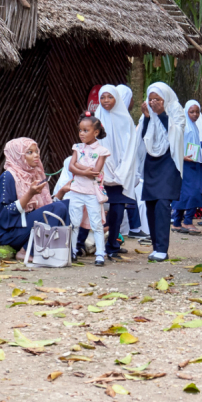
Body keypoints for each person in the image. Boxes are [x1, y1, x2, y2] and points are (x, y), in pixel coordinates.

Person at [0, 138, 70, 258]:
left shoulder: (34, 174)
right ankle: (27, 251)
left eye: (36, 151)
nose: (36, 155)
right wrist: (30, 194)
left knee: (63, 205)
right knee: (58, 207)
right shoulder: (8, 177)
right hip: (9, 232)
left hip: (26, 227)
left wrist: (61, 193)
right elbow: (3, 214)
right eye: (29, 152)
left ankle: (53, 250)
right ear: (17, 155)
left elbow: (43, 208)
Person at [137, 82, 185, 262]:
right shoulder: (147, 113)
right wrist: (148, 117)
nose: (154, 102)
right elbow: (143, 137)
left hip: (169, 160)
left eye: (157, 99)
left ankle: (163, 249)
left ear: (166, 98)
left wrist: (162, 114)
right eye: (150, 99)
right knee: (150, 204)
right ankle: (156, 246)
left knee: (163, 203)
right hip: (151, 161)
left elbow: (177, 134)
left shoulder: (176, 110)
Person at [96, 85, 138, 257]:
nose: (106, 101)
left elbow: (130, 148)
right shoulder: (97, 119)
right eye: (103, 97)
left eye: (110, 97)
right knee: (94, 209)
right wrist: (104, 168)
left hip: (121, 172)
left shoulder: (126, 120)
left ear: (117, 99)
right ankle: (91, 245)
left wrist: (121, 169)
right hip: (101, 171)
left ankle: (113, 245)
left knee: (118, 210)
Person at [68, 114, 111, 266]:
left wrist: (79, 167)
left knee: (96, 223)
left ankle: (100, 253)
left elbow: (96, 171)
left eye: (86, 130)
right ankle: (72, 251)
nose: (82, 133)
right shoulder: (77, 147)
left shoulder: (102, 151)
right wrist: (85, 170)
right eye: (80, 130)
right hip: (76, 191)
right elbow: (70, 166)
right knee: (74, 222)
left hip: (92, 193)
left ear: (96, 132)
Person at [172, 100, 202, 234]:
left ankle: (177, 222)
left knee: (186, 194)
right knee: (192, 193)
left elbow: (192, 144)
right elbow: (175, 144)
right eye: (192, 112)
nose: (195, 115)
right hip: (185, 164)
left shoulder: (193, 126)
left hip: (192, 163)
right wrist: (181, 156)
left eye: (197, 112)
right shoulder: (184, 127)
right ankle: (187, 221)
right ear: (186, 112)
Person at [116, 84, 148, 240]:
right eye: (131, 98)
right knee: (125, 195)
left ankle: (134, 228)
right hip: (118, 163)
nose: (133, 101)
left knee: (129, 195)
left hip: (124, 163)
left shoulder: (123, 118)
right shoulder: (123, 119)